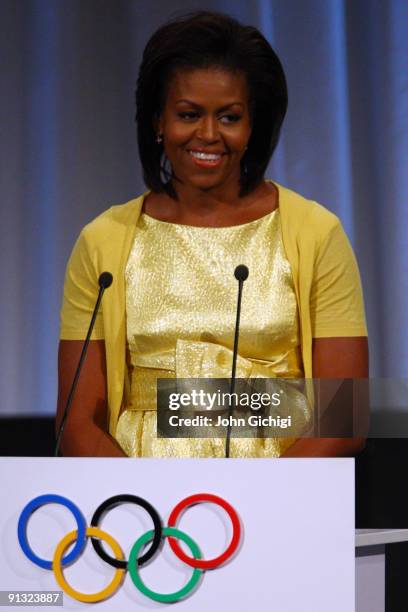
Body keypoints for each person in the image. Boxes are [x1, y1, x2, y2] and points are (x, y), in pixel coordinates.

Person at [56, 11, 368, 457]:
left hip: (279, 503)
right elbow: (77, 420)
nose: (207, 134)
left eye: (228, 117)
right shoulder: (103, 241)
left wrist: (252, 504)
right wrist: (144, 509)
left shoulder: (316, 233)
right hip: (142, 511)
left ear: (251, 125)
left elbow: (344, 420)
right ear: (157, 122)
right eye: (188, 114)